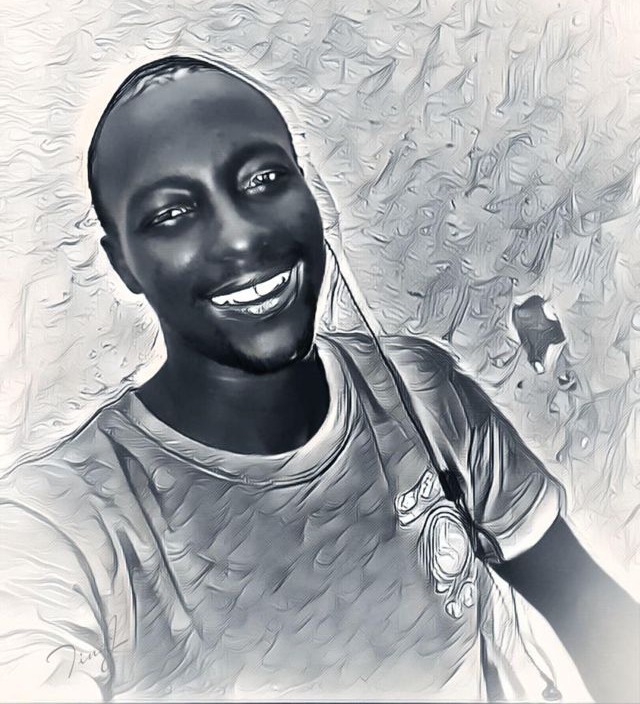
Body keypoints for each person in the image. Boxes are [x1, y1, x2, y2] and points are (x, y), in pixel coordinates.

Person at [0, 56, 637, 703]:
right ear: (123, 264)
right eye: (171, 215)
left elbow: (600, 623)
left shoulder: (421, 392)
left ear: (309, 191)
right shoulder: (56, 526)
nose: (240, 238)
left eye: (264, 179)